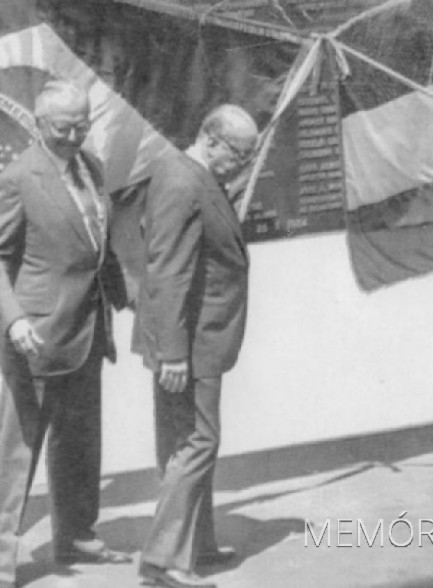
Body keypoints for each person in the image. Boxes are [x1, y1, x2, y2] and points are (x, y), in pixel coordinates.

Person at [0, 80, 130, 588]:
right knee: (17, 455)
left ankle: (77, 535)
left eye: (81, 125)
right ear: (39, 125)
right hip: (35, 338)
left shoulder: (92, 169)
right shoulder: (17, 179)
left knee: (81, 444)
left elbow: (96, 246)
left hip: (86, 330)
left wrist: (124, 297)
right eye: (63, 127)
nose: (73, 135)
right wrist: (14, 318)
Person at [132, 104, 258, 588]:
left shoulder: (188, 174)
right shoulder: (184, 182)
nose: (244, 165)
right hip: (190, 341)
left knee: (182, 443)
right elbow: (168, 270)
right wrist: (173, 353)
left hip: (193, 338)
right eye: (240, 154)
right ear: (210, 139)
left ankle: (196, 544)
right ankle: (163, 562)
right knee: (198, 441)